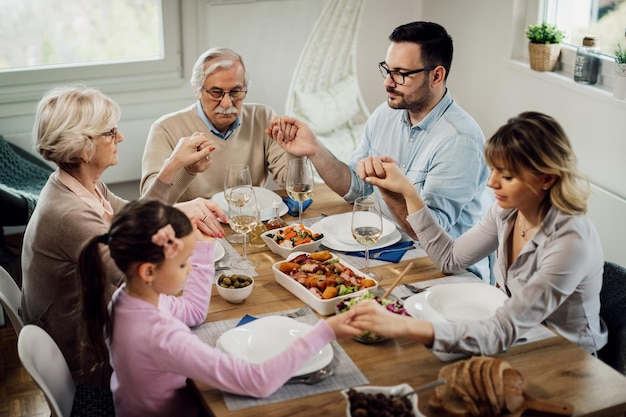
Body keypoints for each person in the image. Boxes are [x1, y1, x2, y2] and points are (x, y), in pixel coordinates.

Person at [348, 111, 607, 355]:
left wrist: (401, 325)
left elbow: (501, 331)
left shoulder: (570, 241)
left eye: (506, 176)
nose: (491, 182)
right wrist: (408, 192)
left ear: (547, 179)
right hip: (520, 337)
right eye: (493, 170)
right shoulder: (507, 211)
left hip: (563, 357)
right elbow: (450, 259)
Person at [20, 84, 227, 389]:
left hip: (90, 325)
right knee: (207, 353)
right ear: (82, 147)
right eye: (110, 131)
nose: (120, 137)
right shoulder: (68, 213)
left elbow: (134, 217)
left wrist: (175, 169)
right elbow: (138, 276)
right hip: (88, 358)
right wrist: (188, 234)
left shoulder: (78, 183)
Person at [78, 199, 361, 417]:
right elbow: (257, 381)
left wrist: (202, 247)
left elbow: (193, 313)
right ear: (148, 271)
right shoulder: (161, 337)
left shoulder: (128, 298)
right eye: (182, 263)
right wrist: (325, 330)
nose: (190, 268)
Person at [267, 21, 491, 280]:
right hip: (385, 246)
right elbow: (357, 189)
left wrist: (392, 193)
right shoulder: (386, 114)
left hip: (442, 271)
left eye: (401, 74)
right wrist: (315, 149)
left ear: (436, 76)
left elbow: (431, 236)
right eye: (387, 69)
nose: (387, 82)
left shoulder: (460, 140)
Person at [141, 47, 295, 203]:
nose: (227, 103)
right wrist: (187, 171)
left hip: (250, 221)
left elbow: (295, 186)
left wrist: (294, 152)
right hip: (194, 224)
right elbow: (150, 206)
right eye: (216, 92)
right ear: (197, 90)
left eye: (236, 91)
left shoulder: (263, 117)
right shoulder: (164, 129)